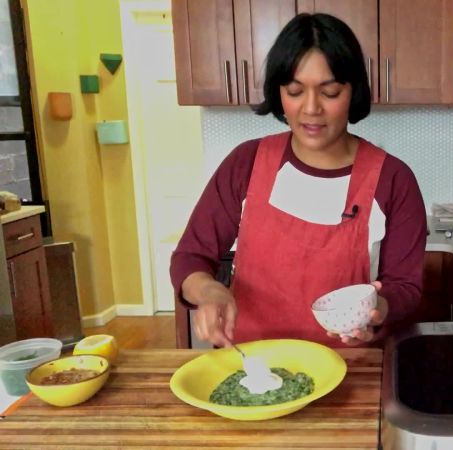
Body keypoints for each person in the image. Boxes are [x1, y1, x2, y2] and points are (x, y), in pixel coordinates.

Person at [170, 13, 427, 348]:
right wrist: (208, 291)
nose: (310, 108)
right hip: (252, 370)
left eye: (330, 92)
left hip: (348, 374)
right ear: (280, 94)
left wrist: (377, 311)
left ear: (353, 92)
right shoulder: (246, 164)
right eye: (294, 90)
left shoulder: (393, 180)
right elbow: (190, 256)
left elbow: (404, 287)